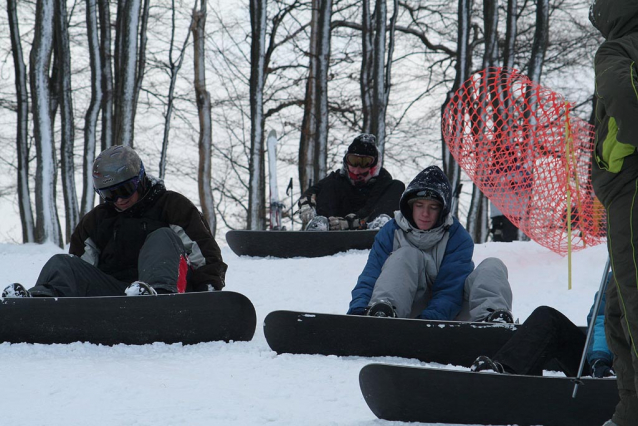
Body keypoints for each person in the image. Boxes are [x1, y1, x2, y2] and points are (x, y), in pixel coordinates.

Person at [2, 145, 227, 298]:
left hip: (170, 291)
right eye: (109, 194)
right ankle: (40, 303)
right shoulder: (95, 222)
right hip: (115, 296)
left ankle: (158, 298)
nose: (119, 199)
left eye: (124, 189)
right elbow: (81, 270)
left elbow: (205, 256)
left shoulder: (173, 206)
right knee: (63, 263)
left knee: (162, 237)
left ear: (140, 181)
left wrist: (208, 292)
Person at [347, 165, 513, 323]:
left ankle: (492, 322)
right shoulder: (391, 232)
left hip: (448, 316)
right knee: (407, 255)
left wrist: (428, 323)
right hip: (403, 311)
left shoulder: (457, 236)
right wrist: (358, 314)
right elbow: (370, 277)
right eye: (419, 206)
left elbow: (450, 289)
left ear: (442, 210)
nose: (425, 213)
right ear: (410, 207)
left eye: (433, 207)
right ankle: (382, 315)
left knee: (493, 265)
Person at [590, 1, 638, 424]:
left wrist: (613, 158)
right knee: (619, 304)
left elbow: (623, 95)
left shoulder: (618, 48)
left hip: (632, 190)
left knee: (629, 301)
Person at [470, 284, 614, 379]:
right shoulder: (617, 277)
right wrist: (599, 358)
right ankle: (507, 372)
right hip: (603, 365)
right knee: (547, 317)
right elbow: (602, 320)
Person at [298, 133, 405, 231]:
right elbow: (312, 192)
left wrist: (351, 222)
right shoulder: (338, 178)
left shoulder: (383, 181)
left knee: (397, 186)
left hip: (365, 222)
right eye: (353, 161)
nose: (357, 169)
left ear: (374, 165)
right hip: (334, 221)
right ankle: (321, 224)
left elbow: (369, 207)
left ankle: (380, 224)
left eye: (364, 162)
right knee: (330, 184)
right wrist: (307, 205)